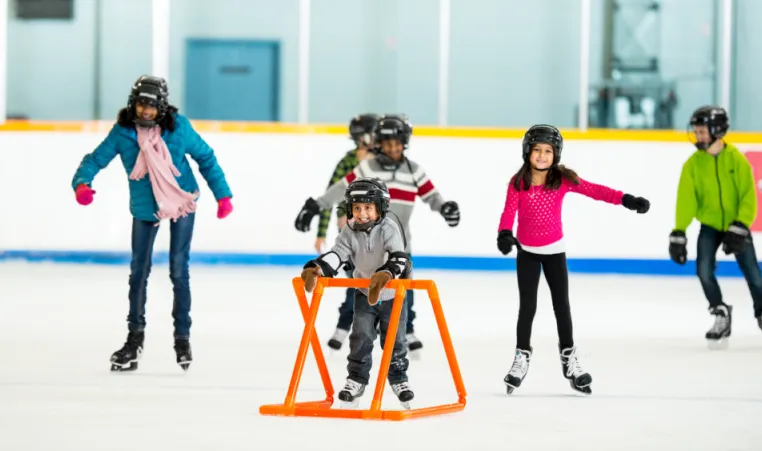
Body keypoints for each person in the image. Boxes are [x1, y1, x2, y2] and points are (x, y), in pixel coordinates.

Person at [71, 75, 234, 372]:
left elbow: (206, 158)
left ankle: (182, 337)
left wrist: (222, 196)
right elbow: (95, 160)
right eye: (140, 105)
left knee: (178, 269)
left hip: (181, 201)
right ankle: (134, 339)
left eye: (151, 107)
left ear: (162, 107)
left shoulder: (179, 127)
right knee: (139, 272)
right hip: (146, 208)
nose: (145, 112)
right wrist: (82, 183)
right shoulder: (123, 132)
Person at [496, 124, 650, 394]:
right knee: (528, 308)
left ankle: (569, 359)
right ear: (527, 152)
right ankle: (521, 357)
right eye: (537, 150)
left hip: (555, 252)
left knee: (561, 307)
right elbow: (508, 212)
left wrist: (626, 199)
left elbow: (595, 190)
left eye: (548, 151)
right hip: (527, 253)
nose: (542, 156)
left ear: (556, 154)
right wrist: (505, 234)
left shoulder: (562, 179)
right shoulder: (517, 183)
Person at [294, 114, 460, 356]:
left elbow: (431, 196)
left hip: (400, 246)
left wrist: (445, 208)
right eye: (387, 143)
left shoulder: (414, 171)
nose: (393, 148)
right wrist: (315, 205)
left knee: (405, 289)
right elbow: (341, 188)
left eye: (397, 143)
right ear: (379, 143)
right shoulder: (368, 168)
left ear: (405, 143)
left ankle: (406, 329)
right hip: (366, 245)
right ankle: (359, 327)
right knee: (360, 285)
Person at [300, 177, 415, 409]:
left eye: (368, 208)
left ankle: (399, 379)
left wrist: (385, 275)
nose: (361, 213)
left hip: (393, 295)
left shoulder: (389, 227)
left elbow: (400, 258)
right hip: (364, 292)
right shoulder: (349, 230)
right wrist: (318, 268)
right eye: (356, 208)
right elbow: (338, 253)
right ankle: (356, 380)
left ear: (380, 208)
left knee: (395, 340)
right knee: (360, 337)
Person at [669, 106, 762, 348]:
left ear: (717, 130)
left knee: (754, 276)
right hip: (709, 225)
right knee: (703, 270)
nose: (697, 136)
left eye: (701, 131)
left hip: (736, 225)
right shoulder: (693, 165)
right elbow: (686, 199)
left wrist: (741, 224)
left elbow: (748, 196)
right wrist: (679, 231)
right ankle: (720, 312)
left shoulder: (737, 160)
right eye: (696, 131)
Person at [313, 114, 379, 351]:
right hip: (351, 234)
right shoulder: (348, 162)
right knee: (356, 283)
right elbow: (330, 195)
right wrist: (321, 232)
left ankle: (380, 328)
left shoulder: (383, 162)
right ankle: (343, 328)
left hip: (379, 235)